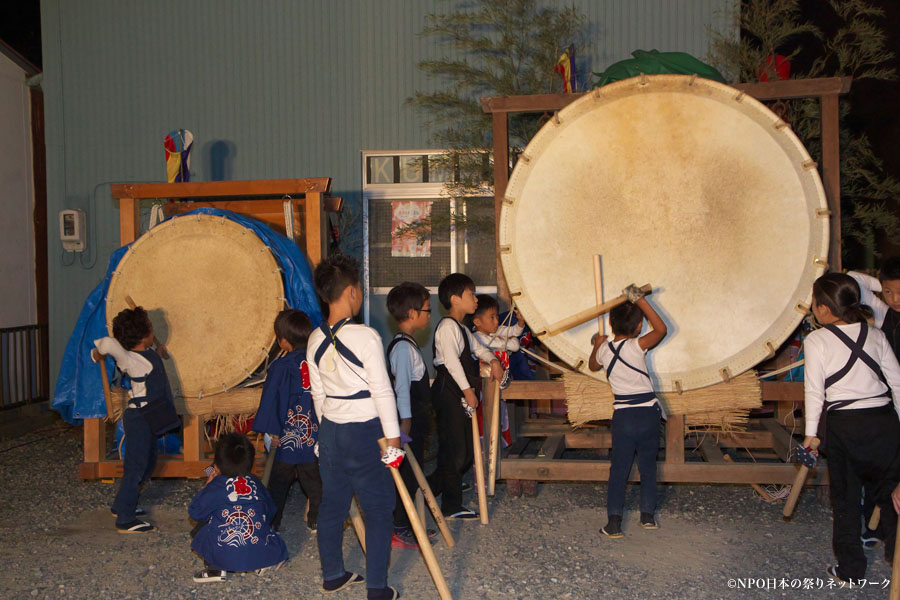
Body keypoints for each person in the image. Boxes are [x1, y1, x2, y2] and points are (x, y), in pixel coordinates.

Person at [306, 254, 401, 600]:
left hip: (331, 431)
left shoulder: (314, 340)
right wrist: (393, 441)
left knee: (332, 504)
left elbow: (318, 395)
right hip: (366, 432)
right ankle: (377, 588)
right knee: (377, 508)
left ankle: (332, 575)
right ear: (351, 292)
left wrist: (324, 436)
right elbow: (382, 390)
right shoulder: (367, 336)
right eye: (359, 288)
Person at [802, 272, 900, 585]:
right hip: (883, 421)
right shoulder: (875, 334)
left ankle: (851, 570)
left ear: (823, 309)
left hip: (845, 426)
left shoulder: (816, 340)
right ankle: (896, 560)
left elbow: (815, 392)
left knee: (845, 500)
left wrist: (810, 435)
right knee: (892, 497)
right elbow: (897, 383)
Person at [91, 306, 180, 533]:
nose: (153, 331)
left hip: (149, 415)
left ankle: (122, 505)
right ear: (144, 335)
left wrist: (158, 353)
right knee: (136, 466)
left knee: (148, 462)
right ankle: (125, 519)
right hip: (140, 417)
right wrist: (97, 352)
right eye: (150, 328)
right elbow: (109, 344)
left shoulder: (145, 356)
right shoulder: (129, 359)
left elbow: (149, 364)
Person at [588, 285, 667, 538]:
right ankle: (647, 517)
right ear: (638, 328)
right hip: (647, 414)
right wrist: (640, 301)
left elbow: (592, 365)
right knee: (648, 466)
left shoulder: (604, 350)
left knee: (619, 470)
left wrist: (597, 344)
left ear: (610, 325)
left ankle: (613, 524)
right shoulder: (637, 345)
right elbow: (662, 329)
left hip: (622, 416)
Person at [430, 273, 503, 520]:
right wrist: (468, 391)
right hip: (448, 392)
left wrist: (493, 360)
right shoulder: (447, 327)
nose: (475, 299)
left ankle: (429, 490)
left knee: (462, 452)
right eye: (471, 294)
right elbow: (451, 361)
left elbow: (479, 349)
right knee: (456, 452)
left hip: (459, 393)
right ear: (455, 299)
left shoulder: (461, 328)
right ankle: (449, 505)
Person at [252, 309, 322, 533]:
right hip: (312, 434)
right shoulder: (316, 362)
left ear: (282, 341)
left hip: (287, 437)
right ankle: (316, 520)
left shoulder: (280, 367)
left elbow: (272, 400)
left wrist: (271, 431)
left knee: (278, 482)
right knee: (314, 481)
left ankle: (272, 522)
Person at [845, 260, 900, 548]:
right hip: (892, 403)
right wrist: (884, 281)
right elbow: (854, 277)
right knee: (884, 467)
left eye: (899, 292)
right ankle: (875, 527)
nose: (894, 299)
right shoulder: (884, 314)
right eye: (889, 292)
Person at [189, 433, 288, 583]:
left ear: (217, 464)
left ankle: (215, 567)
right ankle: (262, 560)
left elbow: (195, 512)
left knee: (199, 529)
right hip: (258, 547)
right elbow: (271, 510)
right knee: (267, 530)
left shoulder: (216, 484)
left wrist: (207, 485)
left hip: (225, 549)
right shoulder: (255, 482)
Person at [385, 282, 436, 550]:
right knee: (404, 475)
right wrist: (405, 425)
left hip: (413, 420)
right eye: (428, 309)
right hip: (408, 422)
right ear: (413, 313)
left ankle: (406, 523)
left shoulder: (408, 344)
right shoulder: (403, 348)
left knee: (411, 474)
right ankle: (399, 528)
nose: (430, 314)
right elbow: (401, 389)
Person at [470, 294, 525, 446]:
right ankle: (486, 450)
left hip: (499, 384)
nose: (497, 321)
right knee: (486, 417)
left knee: (500, 415)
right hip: (484, 388)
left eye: (496, 317)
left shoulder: (492, 333)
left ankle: (499, 447)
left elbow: (514, 332)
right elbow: (513, 344)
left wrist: (520, 321)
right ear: (477, 322)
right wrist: (508, 340)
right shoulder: (477, 338)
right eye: (492, 317)